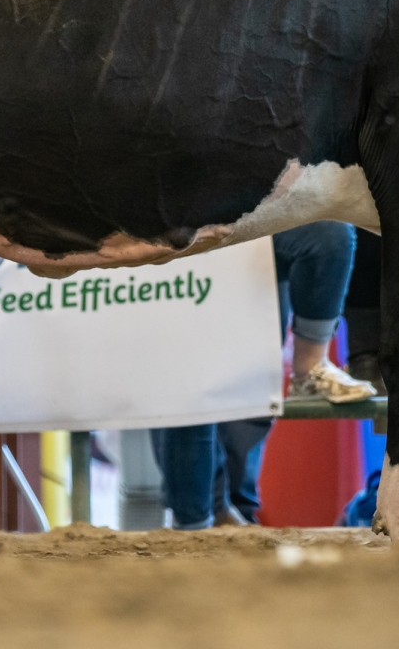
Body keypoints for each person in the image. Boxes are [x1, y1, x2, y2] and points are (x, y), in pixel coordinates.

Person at [150, 222, 376, 529]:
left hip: (250, 220)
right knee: (189, 378)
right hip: (184, 230)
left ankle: (311, 368)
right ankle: (200, 518)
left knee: (329, 233)